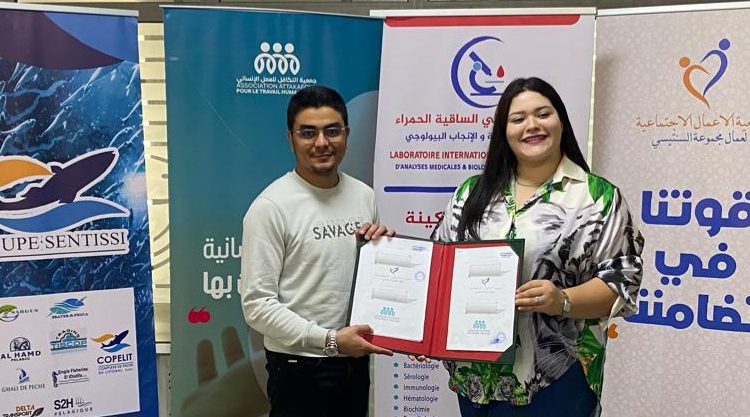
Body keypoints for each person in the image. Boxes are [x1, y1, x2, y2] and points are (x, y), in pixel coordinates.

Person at [430, 77, 644, 417]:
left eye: (543, 114)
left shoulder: (597, 198)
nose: (532, 125)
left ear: (561, 121)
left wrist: (563, 300)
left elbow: (621, 282)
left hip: (556, 377)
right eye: (518, 119)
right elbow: (438, 267)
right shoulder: (470, 193)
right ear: (504, 132)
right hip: (474, 376)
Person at [240, 85, 394, 417]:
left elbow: (369, 280)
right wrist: (329, 340)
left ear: (346, 134)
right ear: (291, 138)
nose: (322, 143)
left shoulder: (364, 196)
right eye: (308, 133)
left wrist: (385, 253)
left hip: (352, 361)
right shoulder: (270, 207)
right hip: (298, 367)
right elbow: (257, 305)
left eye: (332, 131)